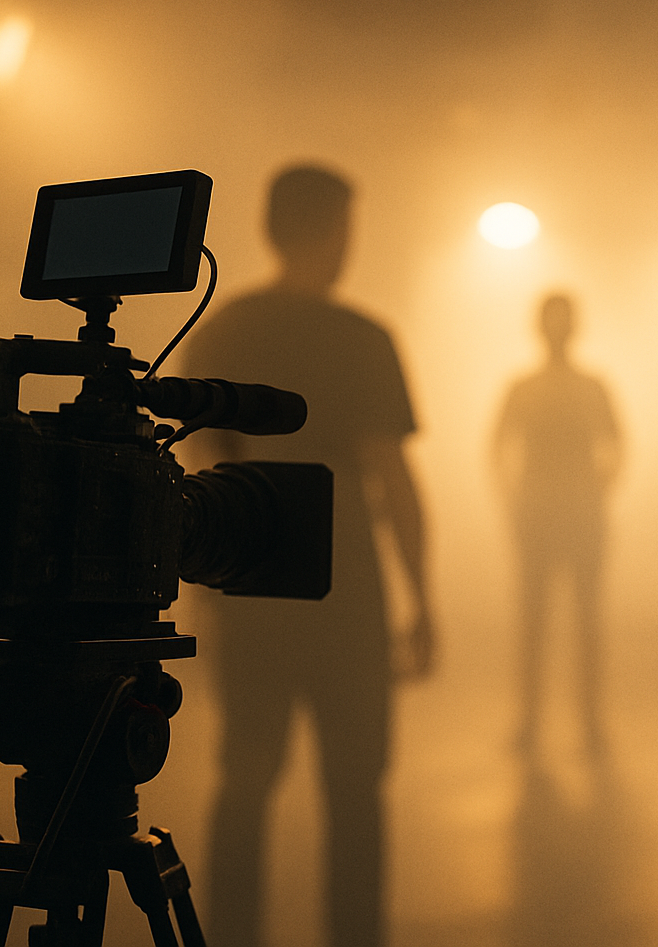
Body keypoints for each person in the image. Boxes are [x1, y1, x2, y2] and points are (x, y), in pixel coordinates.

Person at [182, 164, 433, 947]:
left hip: (250, 583)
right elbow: (392, 481)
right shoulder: (362, 338)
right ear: (336, 233)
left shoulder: (223, 329)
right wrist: (423, 600)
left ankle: (227, 936)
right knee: (355, 790)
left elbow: (200, 472)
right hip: (345, 591)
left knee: (246, 779)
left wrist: (205, 596)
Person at [491, 292, 622, 758]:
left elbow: (617, 446)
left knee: (580, 621)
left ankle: (586, 724)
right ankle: (534, 722)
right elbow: (497, 448)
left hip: (573, 511)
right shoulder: (530, 387)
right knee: (537, 621)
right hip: (545, 512)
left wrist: (594, 490)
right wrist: (515, 501)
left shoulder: (585, 386)